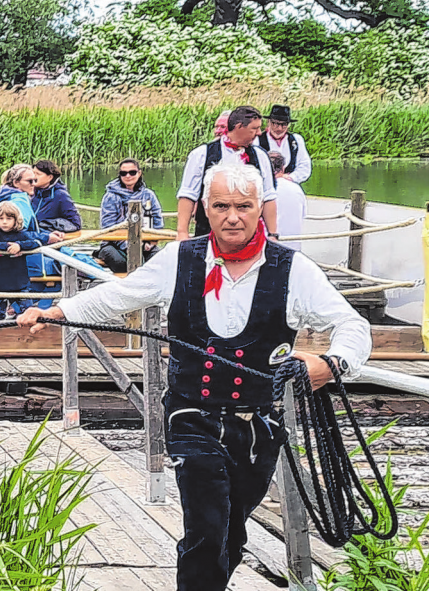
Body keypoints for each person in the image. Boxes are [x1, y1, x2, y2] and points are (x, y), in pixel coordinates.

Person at [19, 162, 371, 591]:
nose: (233, 216)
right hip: (191, 415)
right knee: (206, 526)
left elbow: (353, 326)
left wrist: (333, 364)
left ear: (261, 207)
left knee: (231, 534)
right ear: (206, 207)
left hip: (259, 423)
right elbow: (119, 294)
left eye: (244, 205)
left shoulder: (292, 269)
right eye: (221, 205)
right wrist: (56, 312)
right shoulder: (180, 260)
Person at [176, 106, 278, 240]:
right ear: (239, 127)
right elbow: (188, 194)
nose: (259, 133)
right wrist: (182, 232)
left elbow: (268, 196)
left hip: (251, 235)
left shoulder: (261, 156)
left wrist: (272, 234)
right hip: (208, 234)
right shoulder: (201, 154)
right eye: (255, 128)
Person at [0, 201, 51, 319]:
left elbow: (35, 243)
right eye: (1, 218)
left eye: (8, 218)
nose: (4, 222)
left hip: (19, 281)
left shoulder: (21, 234)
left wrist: (19, 246)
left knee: (26, 308)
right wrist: (6, 247)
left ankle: (26, 326)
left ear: (16, 220)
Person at [97, 158, 165, 273]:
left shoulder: (148, 195)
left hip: (145, 244)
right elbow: (108, 228)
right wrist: (133, 246)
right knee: (125, 264)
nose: (128, 176)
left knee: (161, 261)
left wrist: (151, 243)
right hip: (113, 244)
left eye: (132, 172)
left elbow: (158, 224)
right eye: (123, 173)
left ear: (139, 173)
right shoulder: (110, 197)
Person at [257, 105, 311, 184]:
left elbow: (304, 166)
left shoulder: (296, 141)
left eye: (284, 124)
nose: (279, 128)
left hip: (290, 185)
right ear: (269, 122)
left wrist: (290, 177)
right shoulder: (257, 140)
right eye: (275, 124)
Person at [30, 160, 82, 233]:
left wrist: (48, 225)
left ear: (50, 177)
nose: (33, 177)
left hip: (51, 238)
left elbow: (76, 223)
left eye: (38, 174)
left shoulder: (60, 195)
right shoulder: (30, 192)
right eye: (33, 173)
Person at [269, 152, 306, 251]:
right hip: (294, 247)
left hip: (269, 246)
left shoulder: (264, 189)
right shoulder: (296, 188)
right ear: (283, 167)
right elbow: (303, 214)